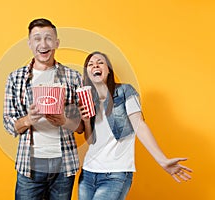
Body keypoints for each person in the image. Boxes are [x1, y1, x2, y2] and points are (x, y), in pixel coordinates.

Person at [77, 51, 193, 200]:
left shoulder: (125, 91)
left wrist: (162, 160)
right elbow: (90, 140)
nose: (95, 66)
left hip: (116, 174)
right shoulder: (87, 100)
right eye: (90, 64)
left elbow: (139, 125)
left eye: (100, 62)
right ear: (87, 72)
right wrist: (86, 120)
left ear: (108, 69)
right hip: (87, 172)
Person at [3, 18, 82, 200]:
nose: (43, 44)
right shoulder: (16, 78)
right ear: (30, 43)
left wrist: (64, 121)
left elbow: (81, 128)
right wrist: (28, 120)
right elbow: (9, 124)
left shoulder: (73, 77)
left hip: (64, 166)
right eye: (37, 38)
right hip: (29, 166)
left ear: (57, 43)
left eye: (48, 38)